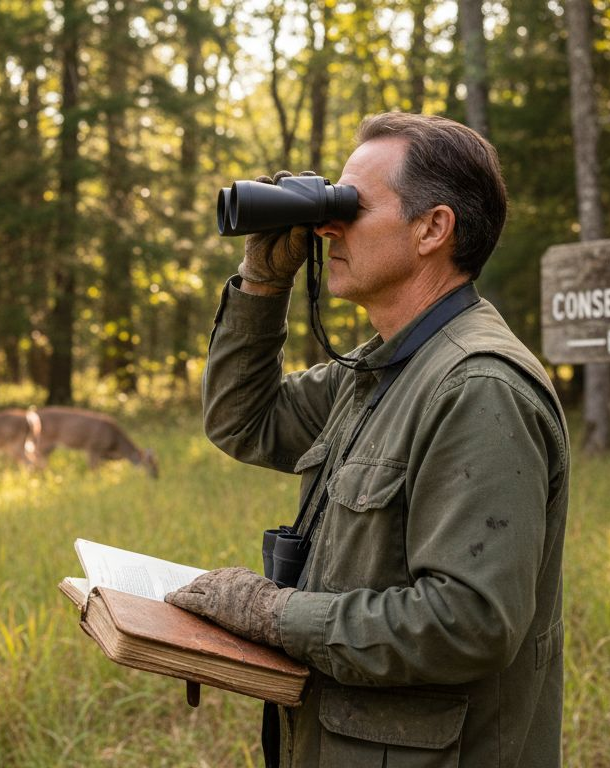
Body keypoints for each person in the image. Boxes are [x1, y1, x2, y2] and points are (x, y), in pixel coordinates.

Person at [166, 112, 569, 767]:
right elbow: (245, 419)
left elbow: (468, 623)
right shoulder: (383, 368)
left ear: (433, 228)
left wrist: (274, 613)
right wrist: (263, 283)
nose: (326, 226)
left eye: (350, 207)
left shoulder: (477, 386)